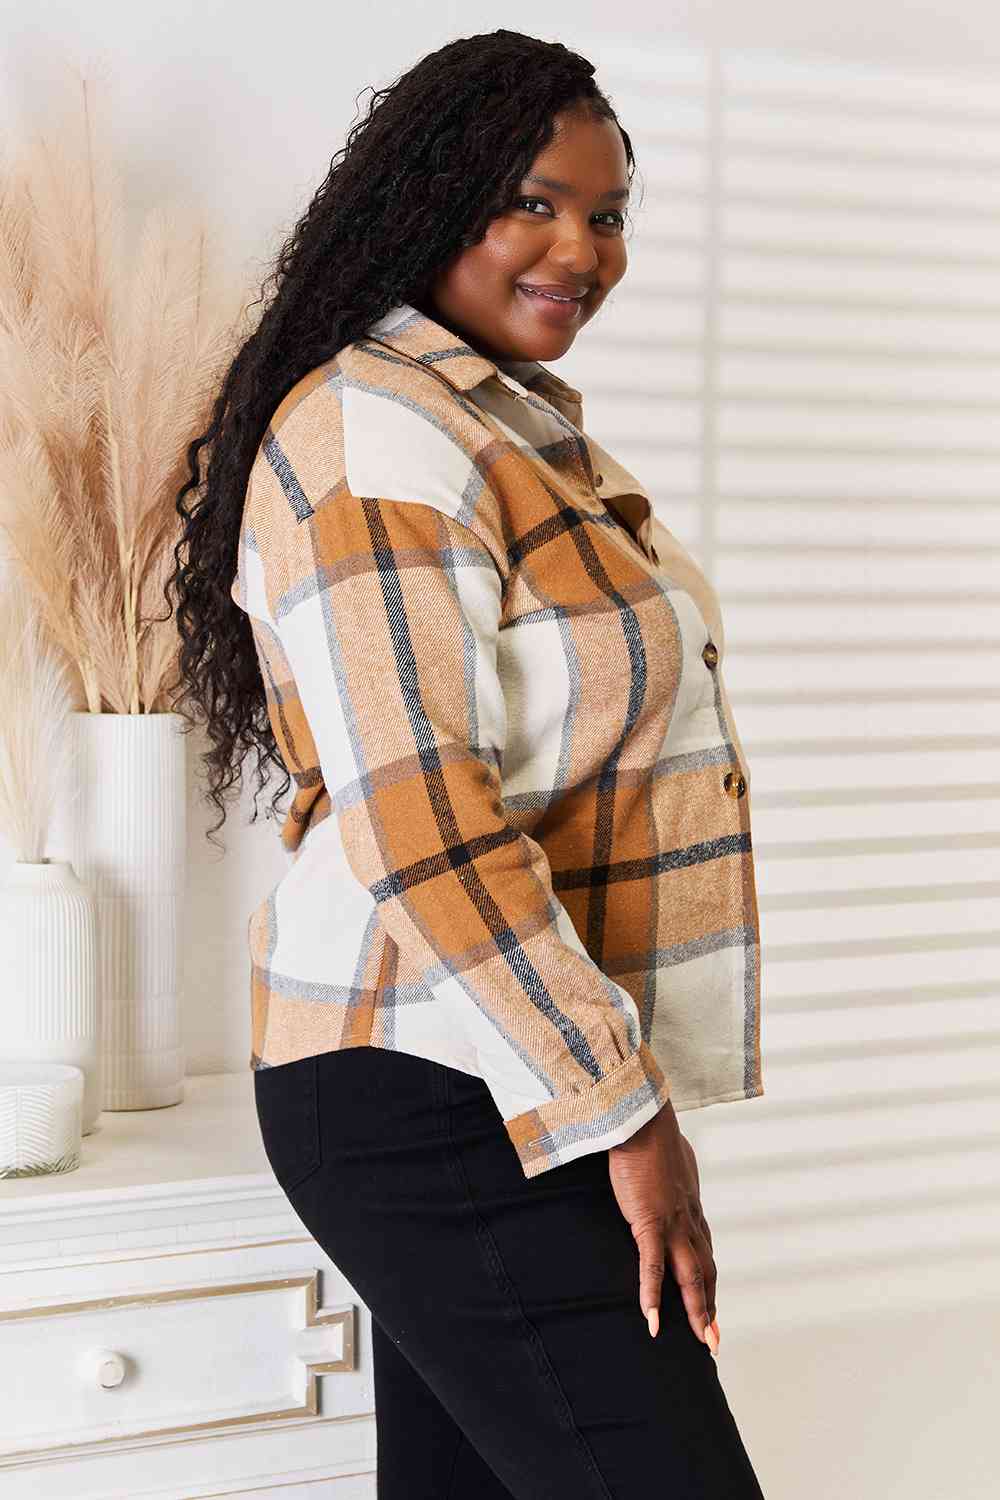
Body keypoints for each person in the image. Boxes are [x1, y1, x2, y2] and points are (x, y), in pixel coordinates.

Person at [169, 28, 766, 1499]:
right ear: (429, 202)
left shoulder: (487, 428)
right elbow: (425, 822)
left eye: (608, 213)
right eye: (531, 203)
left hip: (486, 1062)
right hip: (433, 1083)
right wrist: (623, 1109)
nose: (582, 250)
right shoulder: (378, 437)